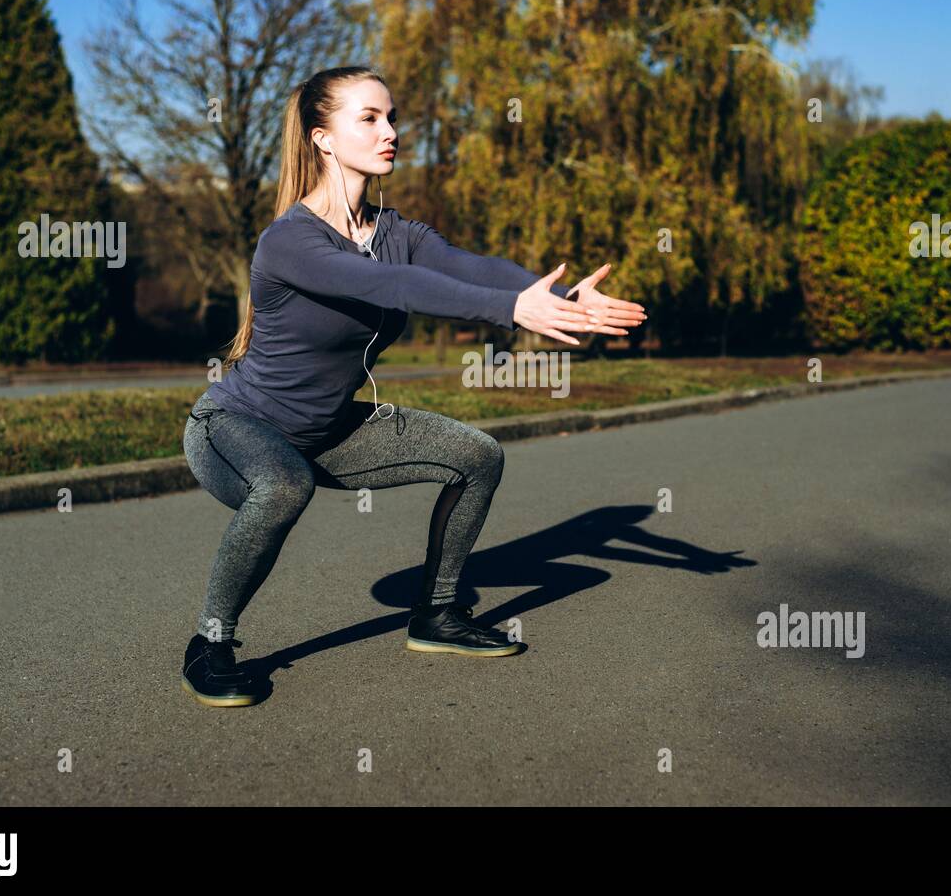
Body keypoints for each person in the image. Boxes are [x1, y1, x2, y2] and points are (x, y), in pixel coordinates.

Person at [180, 66, 647, 707]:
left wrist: (562, 298)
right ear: (322, 138)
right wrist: (512, 313)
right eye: (369, 118)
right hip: (235, 431)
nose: (391, 131)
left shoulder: (393, 231)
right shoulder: (291, 240)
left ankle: (437, 615)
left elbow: (468, 266)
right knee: (284, 483)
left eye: (392, 117)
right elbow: (394, 287)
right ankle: (210, 643)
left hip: (328, 430)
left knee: (478, 456)